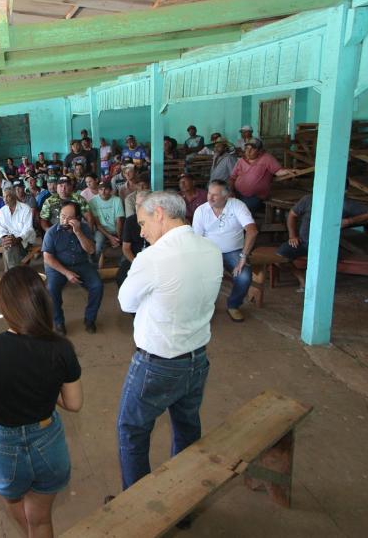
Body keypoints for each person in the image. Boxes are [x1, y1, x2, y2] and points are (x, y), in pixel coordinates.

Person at [115, 191, 223, 516]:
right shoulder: (210, 249)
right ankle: (185, 504)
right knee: (187, 428)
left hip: (157, 363)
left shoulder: (154, 257)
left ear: (160, 213)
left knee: (132, 430)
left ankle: (139, 509)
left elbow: (125, 302)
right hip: (196, 359)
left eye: (144, 222)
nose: (142, 231)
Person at [0, 266, 83, 538]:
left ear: (5, 305)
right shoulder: (61, 348)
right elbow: (73, 403)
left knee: (17, 505)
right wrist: (48, 386)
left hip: (3, 445)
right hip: (48, 439)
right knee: (41, 520)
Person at [277, 192, 368, 289]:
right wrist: (292, 235)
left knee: (324, 265)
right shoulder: (309, 199)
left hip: (326, 246)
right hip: (303, 242)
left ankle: (318, 287)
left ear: (344, 190)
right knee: (279, 257)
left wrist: (349, 221)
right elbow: (292, 215)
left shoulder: (346, 204)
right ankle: (302, 279)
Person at [192, 180, 258, 322]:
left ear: (226, 195)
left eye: (215, 195)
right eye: (209, 193)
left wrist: (243, 257)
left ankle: (233, 305)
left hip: (234, 251)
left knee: (244, 276)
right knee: (202, 278)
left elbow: (252, 231)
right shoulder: (201, 210)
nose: (210, 198)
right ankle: (207, 307)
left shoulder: (237, 206)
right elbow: (196, 239)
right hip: (208, 251)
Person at [42, 201, 103, 335]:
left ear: (78, 219)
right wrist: (67, 273)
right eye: (63, 216)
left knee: (97, 286)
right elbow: (47, 258)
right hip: (58, 267)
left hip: (81, 264)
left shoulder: (84, 228)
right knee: (52, 288)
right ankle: (58, 322)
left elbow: (91, 250)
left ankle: (89, 319)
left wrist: (78, 232)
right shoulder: (52, 232)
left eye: (69, 218)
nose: (64, 220)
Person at [229, 138, 295, 212]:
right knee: (228, 208)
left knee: (241, 211)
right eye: (247, 148)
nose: (248, 151)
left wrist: (287, 171)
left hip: (255, 196)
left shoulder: (267, 158)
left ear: (260, 151)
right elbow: (232, 177)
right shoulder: (241, 160)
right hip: (237, 192)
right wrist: (231, 191)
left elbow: (278, 171)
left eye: (252, 149)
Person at [0, 187, 36, 271]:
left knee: (9, 248)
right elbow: (1, 229)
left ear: (14, 196)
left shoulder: (25, 208)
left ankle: (11, 273)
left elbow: (28, 229)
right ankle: (13, 272)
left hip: (25, 240)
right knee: (8, 245)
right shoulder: (2, 211)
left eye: (8, 196)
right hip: (10, 240)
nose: (5, 199)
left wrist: (17, 239)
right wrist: (3, 238)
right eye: (3, 197)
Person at [90, 181, 125, 263]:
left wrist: (118, 237)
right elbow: (97, 224)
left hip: (117, 229)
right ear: (98, 190)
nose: (103, 192)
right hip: (101, 230)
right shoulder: (93, 201)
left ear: (111, 190)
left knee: (126, 244)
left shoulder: (117, 200)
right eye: (101, 189)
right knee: (98, 245)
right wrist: (111, 237)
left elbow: (119, 220)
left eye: (106, 189)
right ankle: (94, 266)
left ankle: (121, 268)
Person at [117, 205, 147, 287]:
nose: (138, 207)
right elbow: (126, 248)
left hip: (151, 258)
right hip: (133, 257)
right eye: (137, 204)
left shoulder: (155, 220)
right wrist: (135, 263)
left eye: (142, 204)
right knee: (121, 277)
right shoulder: (130, 221)